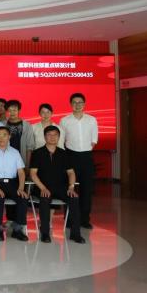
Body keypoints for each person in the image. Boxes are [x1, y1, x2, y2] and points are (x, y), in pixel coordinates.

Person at [30, 125, 85, 244]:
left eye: (55, 135)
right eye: (49, 135)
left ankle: (75, 234)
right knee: (45, 198)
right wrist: (43, 188)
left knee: (74, 198)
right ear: (44, 137)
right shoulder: (37, 153)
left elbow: (71, 173)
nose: (52, 137)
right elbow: (33, 174)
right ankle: (45, 233)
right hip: (43, 187)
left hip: (61, 187)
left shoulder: (64, 154)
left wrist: (71, 187)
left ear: (59, 137)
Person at [0, 126, 28, 241]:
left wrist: (21, 188)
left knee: (22, 198)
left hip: (12, 183)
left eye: (4, 135)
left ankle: (18, 229)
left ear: (9, 137)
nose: (1, 138)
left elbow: (21, 172)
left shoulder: (15, 152)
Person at [59, 92, 98, 229]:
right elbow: (61, 141)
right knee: (70, 188)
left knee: (87, 190)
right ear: (71, 104)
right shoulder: (64, 120)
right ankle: (69, 219)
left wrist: (85, 152)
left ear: (84, 104)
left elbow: (94, 141)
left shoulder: (91, 120)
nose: (77, 105)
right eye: (74, 102)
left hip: (87, 157)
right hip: (71, 156)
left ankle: (84, 220)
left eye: (80, 102)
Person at [5, 99, 36, 167]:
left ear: (19, 110)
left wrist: (27, 164)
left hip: (22, 160)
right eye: (10, 110)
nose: (12, 113)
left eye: (14, 110)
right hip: (6, 160)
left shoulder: (27, 125)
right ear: (6, 112)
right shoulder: (3, 125)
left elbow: (29, 147)